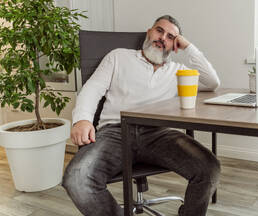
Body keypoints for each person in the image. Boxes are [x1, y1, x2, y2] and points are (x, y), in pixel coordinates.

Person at [62, 15, 221, 216]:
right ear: (149, 32)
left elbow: (213, 82)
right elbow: (92, 89)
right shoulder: (119, 56)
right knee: (76, 179)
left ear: (175, 45)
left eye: (171, 36)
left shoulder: (178, 72)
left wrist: (188, 46)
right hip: (115, 132)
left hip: (158, 135)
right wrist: (82, 119)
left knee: (209, 168)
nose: (163, 37)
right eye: (159, 30)